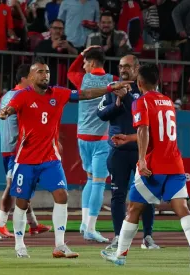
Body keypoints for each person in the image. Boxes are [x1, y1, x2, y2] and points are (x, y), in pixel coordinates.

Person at [0, 58, 131, 258]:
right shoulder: (22, 96)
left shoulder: (58, 93)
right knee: (22, 202)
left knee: (62, 196)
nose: (46, 75)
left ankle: (60, 245)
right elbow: (10, 108)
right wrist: (6, 111)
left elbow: (85, 94)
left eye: (48, 72)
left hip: (50, 158)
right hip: (25, 159)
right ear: (32, 76)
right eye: (41, 72)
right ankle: (19, 245)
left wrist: (109, 89)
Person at [101, 63, 190, 268]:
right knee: (182, 208)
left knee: (133, 208)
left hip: (154, 165)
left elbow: (145, 131)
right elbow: (158, 134)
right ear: (157, 81)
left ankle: (120, 255)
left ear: (139, 83)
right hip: (175, 164)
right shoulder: (167, 102)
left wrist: (141, 159)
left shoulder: (141, 102)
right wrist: (130, 138)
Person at [96, 55, 159, 250]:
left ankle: (148, 237)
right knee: (118, 195)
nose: (123, 69)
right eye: (121, 66)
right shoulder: (112, 88)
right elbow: (100, 114)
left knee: (147, 194)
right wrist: (116, 103)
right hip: (119, 152)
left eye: (127, 66)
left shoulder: (144, 89)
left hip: (142, 151)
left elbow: (144, 113)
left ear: (137, 67)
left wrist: (127, 97)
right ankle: (117, 236)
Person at [0, 64, 52, 238]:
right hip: (17, 150)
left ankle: (33, 224)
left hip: (7, 148)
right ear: (24, 78)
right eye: (33, 76)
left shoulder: (7, 96)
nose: (35, 79)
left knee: (22, 186)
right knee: (13, 186)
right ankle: (0, 223)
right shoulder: (21, 96)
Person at [67, 46, 119, 243]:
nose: (83, 65)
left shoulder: (83, 79)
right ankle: (90, 228)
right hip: (101, 140)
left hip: (82, 137)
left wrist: (81, 52)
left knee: (89, 180)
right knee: (98, 183)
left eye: (85, 62)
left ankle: (84, 223)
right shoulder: (112, 80)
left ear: (93, 63)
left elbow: (70, 71)